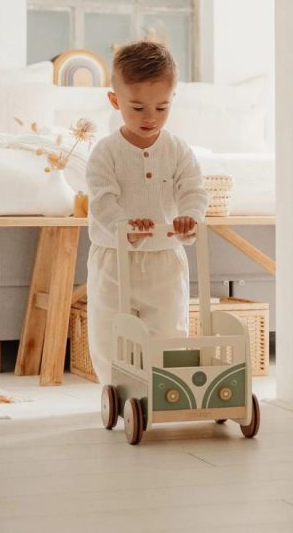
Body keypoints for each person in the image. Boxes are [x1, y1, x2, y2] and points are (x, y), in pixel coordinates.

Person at [86, 41, 208, 385]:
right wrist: (125, 229)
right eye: (137, 107)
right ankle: (116, 391)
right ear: (115, 101)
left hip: (164, 259)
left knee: (168, 327)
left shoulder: (178, 150)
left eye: (162, 107)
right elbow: (102, 202)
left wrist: (189, 217)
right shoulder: (106, 152)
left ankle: (166, 388)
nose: (150, 117)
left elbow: (194, 190)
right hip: (115, 257)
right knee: (111, 329)